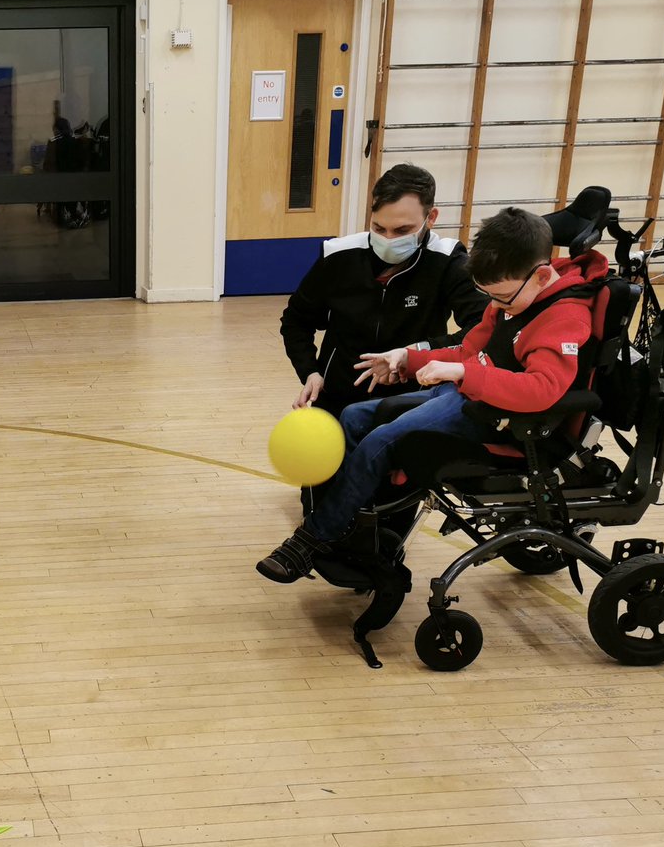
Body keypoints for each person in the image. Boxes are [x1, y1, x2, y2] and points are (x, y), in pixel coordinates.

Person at [256, 206, 610, 584]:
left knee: (379, 441)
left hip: (505, 421)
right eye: (489, 296)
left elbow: (543, 389)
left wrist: (463, 372)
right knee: (354, 417)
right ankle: (357, 528)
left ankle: (314, 538)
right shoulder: (511, 298)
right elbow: (469, 350)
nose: (496, 306)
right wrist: (409, 358)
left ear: (541, 276)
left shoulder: (565, 317)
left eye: (502, 298)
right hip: (470, 398)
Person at [281, 163, 487, 418]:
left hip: (412, 400)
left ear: (430, 218)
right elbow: (295, 321)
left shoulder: (448, 261)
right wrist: (310, 372)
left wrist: (414, 354)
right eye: (379, 228)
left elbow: (481, 329)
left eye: (402, 231)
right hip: (338, 396)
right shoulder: (338, 256)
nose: (389, 239)